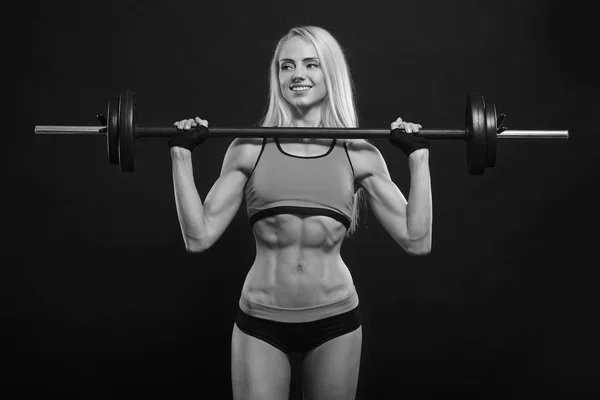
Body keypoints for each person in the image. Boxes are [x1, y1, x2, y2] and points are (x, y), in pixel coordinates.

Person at [168, 26, 432, 400]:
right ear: (276, 76)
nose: (298, 75)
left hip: (335, 319)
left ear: (331, 73)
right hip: (260, 319)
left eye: (311, 64)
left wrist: (419, 160)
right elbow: (199, 237)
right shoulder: (249, 147)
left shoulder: (358, 153)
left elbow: (417, 240)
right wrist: (180, 157)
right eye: (286, 66)